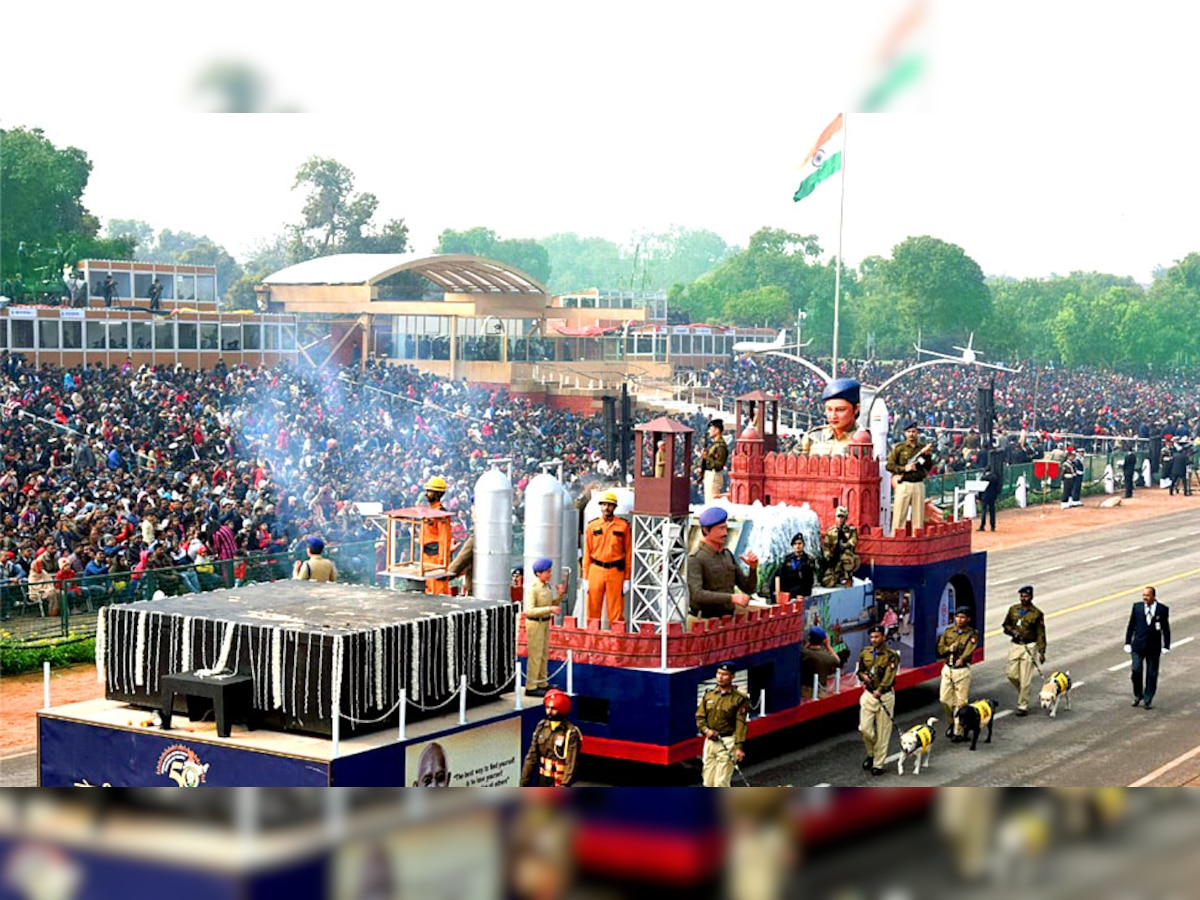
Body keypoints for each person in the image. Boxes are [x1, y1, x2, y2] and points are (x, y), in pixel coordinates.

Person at [687, 506, 758, 621]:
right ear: (706, 530)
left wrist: (753, 569)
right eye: (720, 529)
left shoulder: (727, 555)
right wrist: (731, 598)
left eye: (725, 528)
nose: (725, 533)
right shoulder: (695, 559)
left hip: (727, 619)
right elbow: (697, 594)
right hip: (703, 621)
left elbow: (749, 588)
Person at [695, 662, 749, 787]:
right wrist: (705, 730)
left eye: (724, 674)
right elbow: (700, 717)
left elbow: (741, 724)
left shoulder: (739, 699)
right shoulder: (709, 695)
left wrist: (739, 747)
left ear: (732, 676)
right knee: (707, 782)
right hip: (710, 741)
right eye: (718, 673)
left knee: (721, 783)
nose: (720, 677)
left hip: (727, 741)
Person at [856, 624, 900, 776]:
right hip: (868, 695)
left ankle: (878, 763)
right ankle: (871, 753)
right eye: (872, 637)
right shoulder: (865, 653)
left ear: (883, 637)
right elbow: (860, 670)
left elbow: (889, 675)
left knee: (883, 731)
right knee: (865, 728)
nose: (874, 640)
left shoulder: (891, 655)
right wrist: (863, 677)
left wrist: (880, 690)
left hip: (884, 696)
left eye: (877, 637)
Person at [582, 490, 631, 624]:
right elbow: (587, 552)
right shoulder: (592, 526)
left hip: (615, 570)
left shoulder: (623, 526)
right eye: (603, 505)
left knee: (616, 610)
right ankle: (592, 640)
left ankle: (616, 641)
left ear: (614, 507)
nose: (606, 508)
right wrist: (585, 577)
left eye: (609, 505)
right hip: (596, 569)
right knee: (593, 608)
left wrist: (627, 578)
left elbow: (629, 553)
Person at [520, 688, 582, 787]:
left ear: (561, 709)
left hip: (559, 780)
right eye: (547, 707)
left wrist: (564, 785)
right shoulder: (541, 727)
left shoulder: (570, 732)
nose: (549, 711)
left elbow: (571, 764)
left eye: (553, 709)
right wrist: (524, 783)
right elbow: (531, 757)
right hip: (543, 779)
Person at [1001, 585, 1046, 715]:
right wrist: (1011, 631)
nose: (1023, 598)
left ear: (1031, 597)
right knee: (1011, 674)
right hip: (1016, 645)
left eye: (1026, 596)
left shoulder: (1037, 613)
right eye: (1021, 596)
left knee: (1025, 678)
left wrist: (1041, 652)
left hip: (1029, 646)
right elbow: (1005, 625)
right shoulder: (1013, 609)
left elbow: (1040, 634)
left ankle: (1023, 705)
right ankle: (1024, 691)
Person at [1125, 585, 1171, 709]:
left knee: (1151, 674)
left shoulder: (1162, 610)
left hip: (1153, 648)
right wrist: (1127, 642)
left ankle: (1148, 698)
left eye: (1147, 595)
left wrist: (1166, 645)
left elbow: (1165, 629)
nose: (1145, 598)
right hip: (1138, 646)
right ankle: (1138, 694)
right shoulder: (1137, 607)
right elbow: (1131, 625)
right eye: (1143, 595)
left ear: (1153, 596)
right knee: (1136, 670)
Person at [937, 606, 979, 741]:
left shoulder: (971, 634)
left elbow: (969, 650)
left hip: (961, 671)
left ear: (968, 619)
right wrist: (949, 648)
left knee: (960, 702)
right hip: (948, 668)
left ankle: (958, 731)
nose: (959, 620)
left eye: (962, 617)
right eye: (957, 617)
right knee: (945, 700)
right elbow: (940, 649)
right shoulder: (949, 632)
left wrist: (962, 658)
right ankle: (952, 721)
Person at [524, 557, 564, 696]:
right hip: (535, 623)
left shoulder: (547, 587)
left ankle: (542, 682)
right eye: (547, 572)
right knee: (535, 654)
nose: (550, 574)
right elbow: (530, 610)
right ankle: (531, 685)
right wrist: (549, 609)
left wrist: (559, 596)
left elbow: (552, 603)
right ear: (538, 573)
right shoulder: (533, 589)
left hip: (545, 622)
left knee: (543, 653)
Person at [887, 422, 934, 533]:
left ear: (917, 433)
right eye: (909, 432)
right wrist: (904, 468)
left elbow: (928, 466)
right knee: (899, 516)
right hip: (904, 484)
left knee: (918, 517)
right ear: (905, 433)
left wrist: (926, 455)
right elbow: (889, 465)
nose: (911, 434)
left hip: (918, 484)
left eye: (913, 431)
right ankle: (897, 540)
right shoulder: (900, 448)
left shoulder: (922, 448)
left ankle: (916, 541)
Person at [801, 378, 861, 456]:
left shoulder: (863, 438)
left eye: (840, 410)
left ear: (856, 409)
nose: (833, 416)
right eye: (829, 409)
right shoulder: (813, 437)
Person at [420, 475, 452, 595]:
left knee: (438, 589)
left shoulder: (441, 514)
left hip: (436, 557)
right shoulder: (430, 511)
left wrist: (443, 562)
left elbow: (445, 538)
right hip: (427, 556)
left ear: (437, 494)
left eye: (429, 491)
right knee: (428, 587)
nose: (426, 494)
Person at [820, 507, 859, 588]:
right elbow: (826, 546)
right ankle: (838, 576)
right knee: (827, 582)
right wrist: (828, 557)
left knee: (846, 556)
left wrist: (845, 545)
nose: (840, 519)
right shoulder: (831, 531)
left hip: (848, 559)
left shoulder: (851, 530)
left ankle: (848, 578)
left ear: (845, 518)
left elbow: (853, 541)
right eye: (838, 517)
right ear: (835, 517)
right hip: (836, 559)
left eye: (842, 517)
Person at [800, 626, 840, 699]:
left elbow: (801, 651)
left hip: (803, 692)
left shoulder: (803, 653)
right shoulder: (827, 657)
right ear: (823, 640)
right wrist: (828, 646)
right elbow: (837, 660)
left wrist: (808, 644)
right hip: (820, 693)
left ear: (809, 639)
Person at [776, 532, 815, 600]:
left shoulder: (808, 559)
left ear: (803, 545)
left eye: (799, 543)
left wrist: (802, 593)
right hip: (789, 587)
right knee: (778, 572)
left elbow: (809, 581)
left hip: (801, 589)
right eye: (795, 544)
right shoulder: (788, 558)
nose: (797, 546)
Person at [699, 419, 729, 503]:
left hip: (714, 474)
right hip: (709, 474)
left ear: (717, 430)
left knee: (711, 501)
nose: (709, 431)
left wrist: (707, 457)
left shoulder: (720, 446)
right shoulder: (714, 444)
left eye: (711, 429)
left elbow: (719, 464)